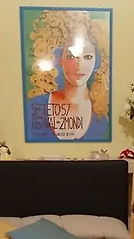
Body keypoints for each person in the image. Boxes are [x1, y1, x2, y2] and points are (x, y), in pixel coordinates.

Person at [25, 10, 110, 141]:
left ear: (97, 61)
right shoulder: (36, 106)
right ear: (59, 59)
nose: (79, 65)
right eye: (71, 56)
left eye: (87, 57)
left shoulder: (101, 115)